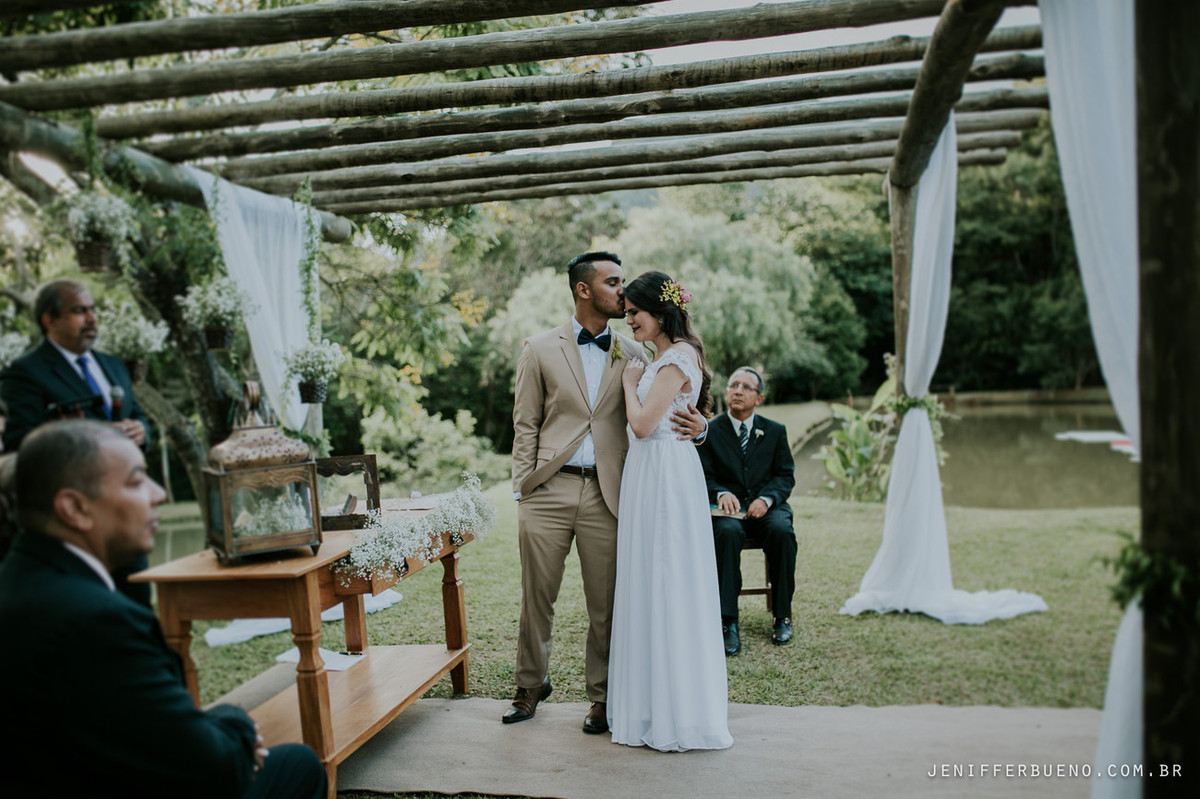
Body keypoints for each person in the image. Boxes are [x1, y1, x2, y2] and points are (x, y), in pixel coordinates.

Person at [0, 420, 326, 799]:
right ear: (74, 507)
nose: (159, 495)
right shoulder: (93, 620)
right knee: (299, 764)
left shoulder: (19, 580)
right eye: (137, 481)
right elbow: (213, 768)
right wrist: (234, 719)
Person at [508, 252, 706, 735]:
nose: (623, 292)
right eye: (613, 282)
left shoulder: (638, 352)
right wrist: (524, 488)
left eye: (625, 285)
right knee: (537, 597)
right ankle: (530, 685)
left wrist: (701, 428)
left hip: (612, 493)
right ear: (583, 289)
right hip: (548, 491)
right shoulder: (539, 348)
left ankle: (602, 698)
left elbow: (672, 406)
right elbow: (525, 423)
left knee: (608, 603)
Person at [607, 270, 732, 751]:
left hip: (662, 476)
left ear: (659, 313)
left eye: (635, 313)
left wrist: (628, 383)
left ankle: (671, 712)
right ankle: (650, 704)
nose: (630, 320)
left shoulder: (675, 358)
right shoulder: (670, 356)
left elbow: (641, 426)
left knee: (664, 579)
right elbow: (676, 419)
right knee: (650, 580)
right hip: (654, 472)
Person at [0, 279, 152, 604]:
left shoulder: (112, 365)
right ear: (49, 320)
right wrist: (96, 441)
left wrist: (141, 430)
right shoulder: (24, 373)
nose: (91, 319)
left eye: (92, 310)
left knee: (136, 604)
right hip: (76, 520)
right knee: (87, 611)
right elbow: (20, 444)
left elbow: (138, 415)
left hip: (125, 513)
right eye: (79, 311)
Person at [699, 366, 798, 655]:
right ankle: (728, 621)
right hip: (727, 513)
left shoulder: (775, 431)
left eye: (746, 387)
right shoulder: (709, 431)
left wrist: (767, 499)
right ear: (726, 392)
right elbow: (702, 475)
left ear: (759, 398)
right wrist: (720, 492)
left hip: (768, 509)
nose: (738, 391)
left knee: (782, 531)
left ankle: (783, 616)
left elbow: (785, 476)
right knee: (727, 533)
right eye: (733, 385)